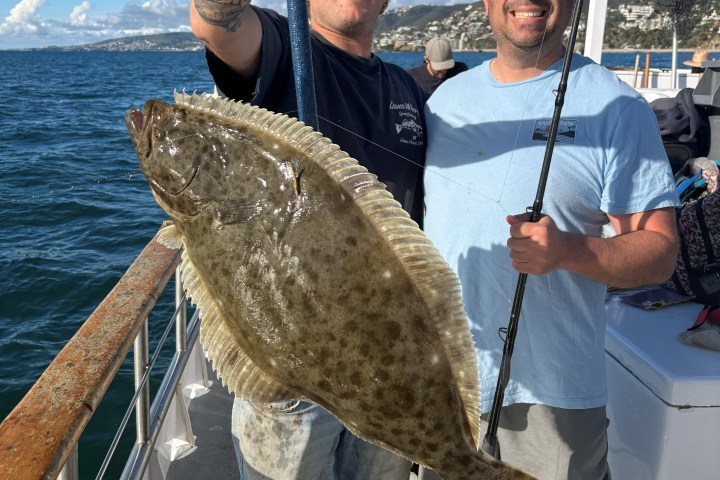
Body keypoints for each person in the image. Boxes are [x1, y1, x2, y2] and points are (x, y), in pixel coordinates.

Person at [422, 0, 680, 479]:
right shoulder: (441, 104)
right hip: (444, 387)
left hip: (555, 396)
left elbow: (660, 253)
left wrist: (572, 251)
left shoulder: (618, 107)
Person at [189, 0, 427, 479]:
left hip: (390, 362)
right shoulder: (285, 49)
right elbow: (220, 27)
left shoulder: (406, 87)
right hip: (292, 366)